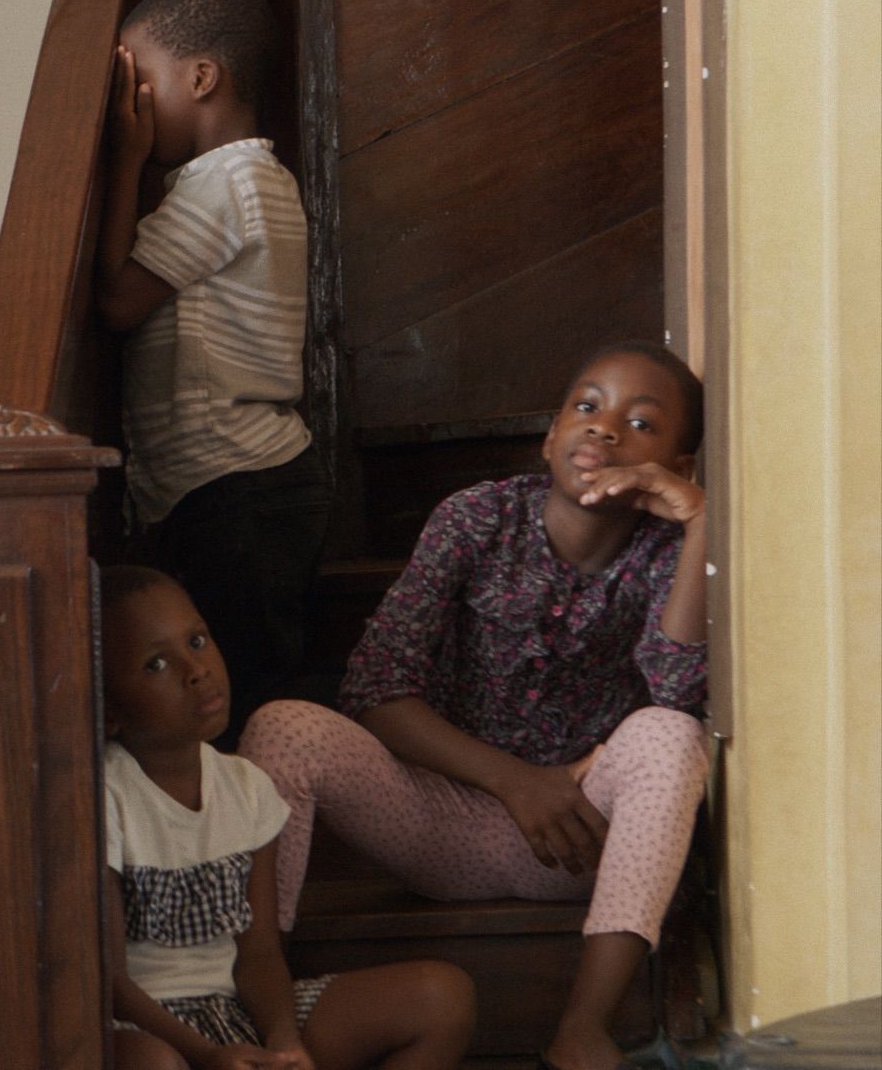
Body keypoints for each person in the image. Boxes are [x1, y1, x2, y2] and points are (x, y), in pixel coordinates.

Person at [239, 342, 711, 1070]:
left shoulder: (659, 554)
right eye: (586, 407)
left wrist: (700, 526)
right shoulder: (477, 518)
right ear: (551, 435)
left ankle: (584, 1026)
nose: (605, 429)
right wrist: (516, 781)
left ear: (676, 467)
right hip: (439, 818)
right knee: (282, 725)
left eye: (640, 423)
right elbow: (374, 688)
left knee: (672, 734)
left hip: (581, 839)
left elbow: (677, 692)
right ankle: (266, 1000)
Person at [99, 565, 474, 1070]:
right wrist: (207, 1053)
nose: (196, 669)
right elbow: (110, 981)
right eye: (156, 665)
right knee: (153, 1065)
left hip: (234, 1012)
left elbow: (259, 955)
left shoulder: (248, 788)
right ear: (109, 709)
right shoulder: (104, 795)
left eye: (198, 640)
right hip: (146, 1030)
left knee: (441, 995)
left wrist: (282, 1042)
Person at [93, 0, 329, 737]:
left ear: (200, 79)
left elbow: (117, 301)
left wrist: (126, 160)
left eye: (143, 81)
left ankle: (261, 842)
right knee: (246, 698)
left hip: (238, 490)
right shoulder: (243, 180)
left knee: (248, 710)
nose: (131, 103)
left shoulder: (226, 184)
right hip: (236, 488)